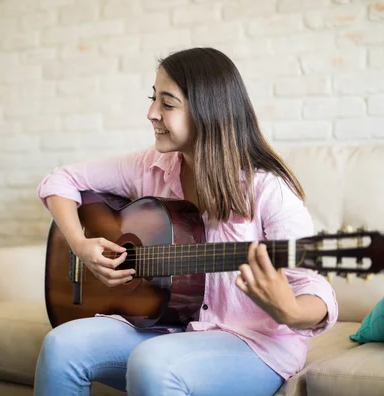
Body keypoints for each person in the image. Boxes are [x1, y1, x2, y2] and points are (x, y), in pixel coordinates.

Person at [34, 47, 338, 396]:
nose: (151, 113)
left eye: (167, 103)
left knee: (154, 362)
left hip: (253, 345)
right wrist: (81, 244)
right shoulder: (148, 166)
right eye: (153, 99)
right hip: (171, 327)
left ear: (207, 110)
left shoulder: (268, 188)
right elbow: (61, 180)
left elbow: (314, 288)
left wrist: (291, 310)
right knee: (61, 346)